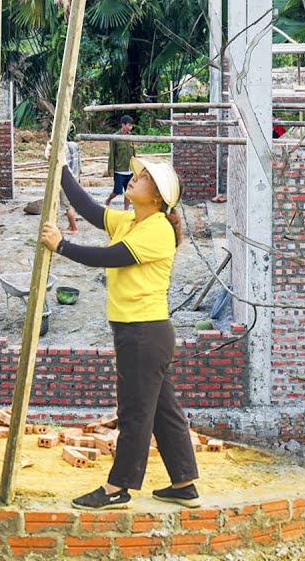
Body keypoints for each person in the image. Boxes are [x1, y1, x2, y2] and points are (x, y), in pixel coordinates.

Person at [40, 156, 199, 510]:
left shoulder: (156, 228)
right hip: (144, 333)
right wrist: (61, 167)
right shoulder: (130, 220)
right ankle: (184, 484)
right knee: (162, 411)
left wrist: (61, 246)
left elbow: (110, 257)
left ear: (157, 197)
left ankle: (117, 488)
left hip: (144, 333)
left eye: (142, 178)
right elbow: (90, 209)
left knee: (135, 413)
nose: (133, 179)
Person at [104, 115, 136, 210]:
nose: (130, 127)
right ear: (123, 125)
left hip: (130, 170)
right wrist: (111, 169)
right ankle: (108, 200)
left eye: (131, 125)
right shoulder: (115, 137)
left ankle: (126, 210)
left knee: (129, 192)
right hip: (119, 170)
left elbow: (133, 154)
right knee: (117, 191)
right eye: (129, 125)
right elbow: (112, 154)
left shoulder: (131, 137)